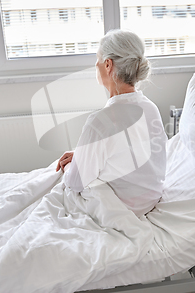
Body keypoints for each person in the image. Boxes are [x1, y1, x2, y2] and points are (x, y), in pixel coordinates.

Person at [56, 29, 167, 217]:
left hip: (121, 208)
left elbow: (75, 183)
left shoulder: (101, 121)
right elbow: (129, 152)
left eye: (97, 60)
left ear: (108, 64)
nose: (96, 65)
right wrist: (83, 154)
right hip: (149, 201)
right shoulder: (150, 108)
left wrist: (71, 166)